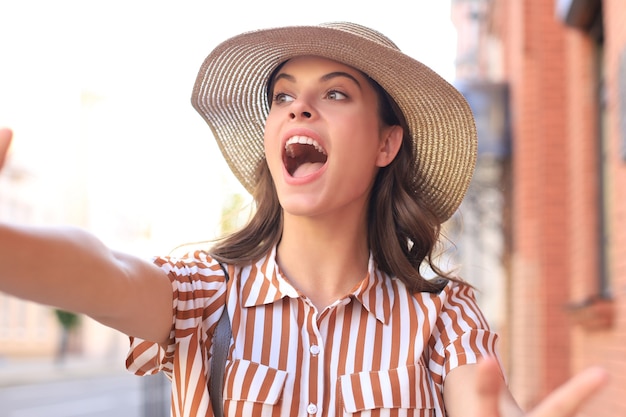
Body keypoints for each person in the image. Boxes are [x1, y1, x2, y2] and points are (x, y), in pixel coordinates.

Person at [0, 22, 608, 417]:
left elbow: (484, 404)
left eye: (335, 94)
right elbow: (100, 270)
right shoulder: (204, 294)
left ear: (385, 144)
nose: (300, 110)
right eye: (283, 96)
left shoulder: (444, 317)